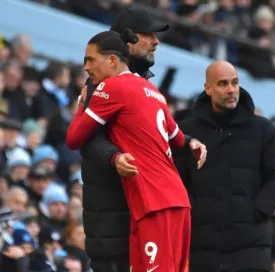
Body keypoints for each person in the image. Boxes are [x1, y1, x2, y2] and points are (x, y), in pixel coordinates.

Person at [79, 7, 205, 271]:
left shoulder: (144, 86)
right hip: (113, 217)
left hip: (141, 210)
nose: (156, 42)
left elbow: (157, 134)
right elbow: (86, 139)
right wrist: (113, 157)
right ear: (127, 41)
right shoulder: (101, 84)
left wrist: (188, 140)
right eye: (148, 35)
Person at [174, 60, 275, 271]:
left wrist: (258, 211)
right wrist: (194, 213)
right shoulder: (186, 131)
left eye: (235, 83)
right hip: (202, 244)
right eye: (223, 84)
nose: (232, 90)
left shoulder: (263, 129)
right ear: (208, 88)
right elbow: (175, 178)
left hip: (251, 245)